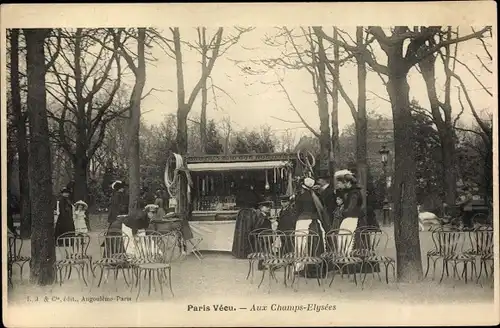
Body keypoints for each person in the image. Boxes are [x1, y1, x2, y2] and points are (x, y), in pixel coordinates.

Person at [293, 177, 328, 278]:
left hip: (303, 223)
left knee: (302, 245)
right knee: (317, 245)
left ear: (303, 187)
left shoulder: (300, 197)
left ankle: (305, 268)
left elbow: (297, 211)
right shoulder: (317, 195)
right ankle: (318, 270)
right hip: (315, 224)